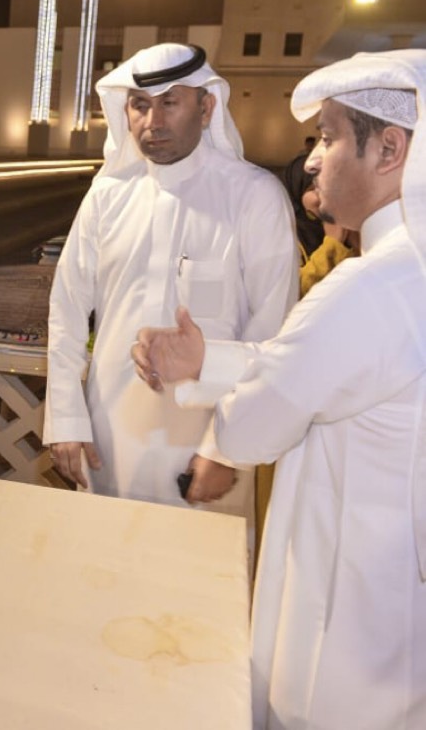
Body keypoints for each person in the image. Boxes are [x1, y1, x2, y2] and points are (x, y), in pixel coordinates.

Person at [132, 49, 426, 729]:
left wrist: (210, 380)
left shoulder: (370, 285)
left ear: (389, 150)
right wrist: (207, 359)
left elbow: (255, 424)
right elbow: (316, 371)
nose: (313, 161)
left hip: (343, 625)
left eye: (328, 137)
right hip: (392, 610)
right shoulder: (407, 272)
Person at [42, 43, 297, 534]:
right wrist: (67, 420)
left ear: (206, 107)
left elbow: (274, 333)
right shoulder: (107, 194)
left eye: (170, 103)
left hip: (201, 454)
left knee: (198, 578)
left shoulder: (254, 197)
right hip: (107, 439)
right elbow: (67, 308)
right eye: (140, 105)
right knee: (99, 563)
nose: (152, 121)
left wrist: (224, 450)